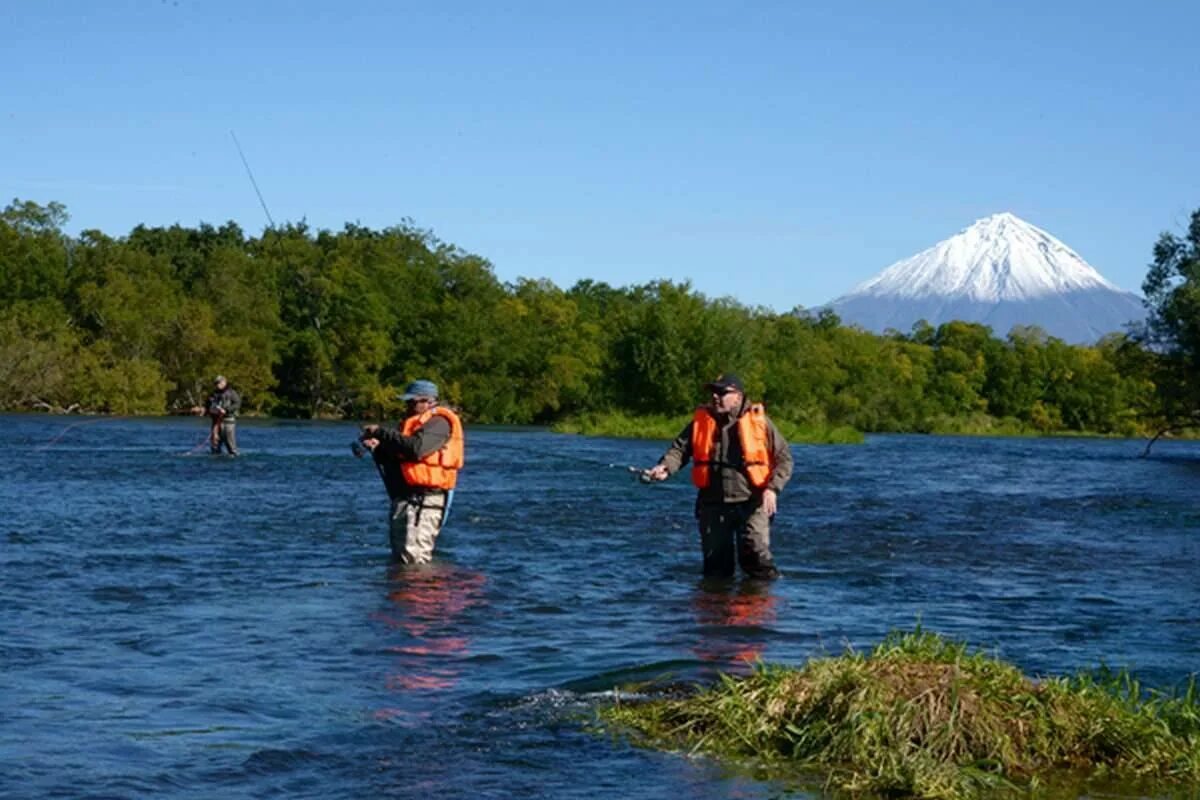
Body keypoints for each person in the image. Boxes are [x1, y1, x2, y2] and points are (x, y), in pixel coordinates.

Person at [643, 374, 793, 580]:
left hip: (752, 503)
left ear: (738, 397)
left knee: (757, 562)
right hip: (713, 504)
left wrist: (772, 489)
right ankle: (715, 609)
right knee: (716, 569)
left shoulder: (760, 423)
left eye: (722, 392)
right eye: (713, 392)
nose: (715, 396)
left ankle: (758, 608)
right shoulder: (701, 421)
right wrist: (664, 468)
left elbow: (784, 460)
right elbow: (679, 450)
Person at [356, 379, 465, 564]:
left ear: (428, 401)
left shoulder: (439, 423)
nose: (407, 407)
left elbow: (417, 449)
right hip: (406, 500)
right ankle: (403, 592)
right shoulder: (411, 426)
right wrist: (377, 448)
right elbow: (398, 458)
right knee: (401, 559)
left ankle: (419, 592)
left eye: (412, 402)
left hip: (424, 502)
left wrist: (381, 432)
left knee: (414, 558)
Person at [204, 375, 241, 456]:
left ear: (224, 382)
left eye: (219, 383)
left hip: (228, 421)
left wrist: (226, 410)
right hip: (216, 421)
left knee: (230, 444)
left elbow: (237, 404)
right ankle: (216, 456)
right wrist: (206, 410)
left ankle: (233, 456)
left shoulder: (232, 393)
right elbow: (207, 405)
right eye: (216, 383)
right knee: (215, 444)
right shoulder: (213, 394)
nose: (217, 385)